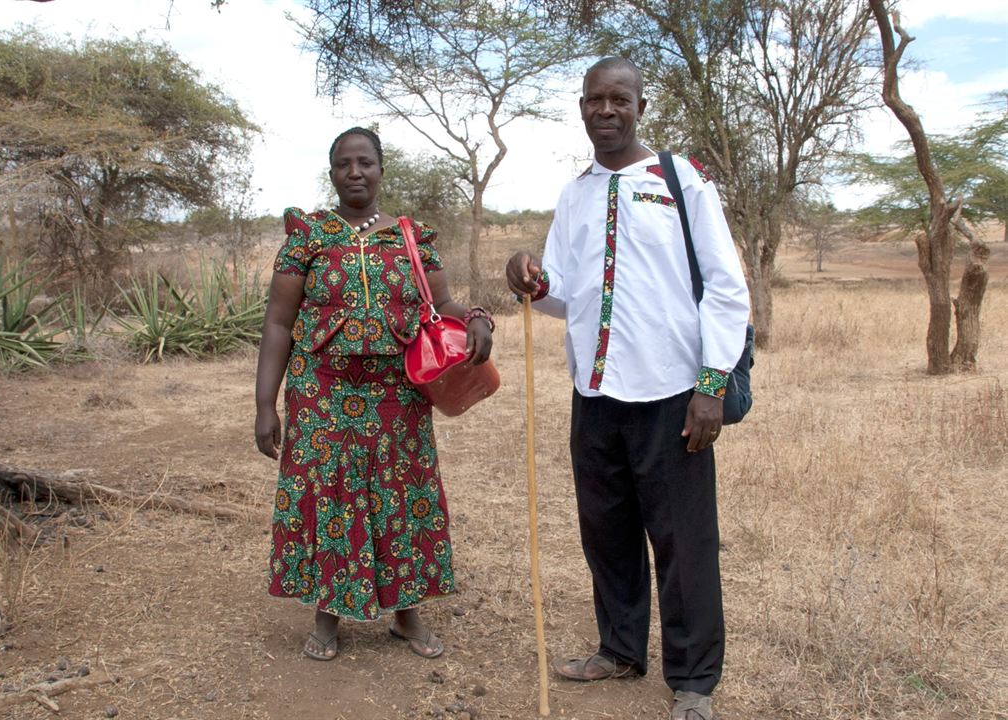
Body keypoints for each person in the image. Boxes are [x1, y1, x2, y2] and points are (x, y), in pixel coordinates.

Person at [505, 58, 749, 720]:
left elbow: (727, 288)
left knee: (682, 543)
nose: (605, 110)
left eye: (619, 99)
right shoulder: (575, 193)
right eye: (594, 100)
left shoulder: (681, 182)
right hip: (595, 394)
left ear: (642, 105)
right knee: (605, 532)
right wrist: (529, 277)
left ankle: (693, 681)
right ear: (581, 107)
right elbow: (565, 297)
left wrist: (709, 387)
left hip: (672, 394)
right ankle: (619, 650)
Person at [255, 126, 494, 662]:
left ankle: (406, 615)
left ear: (382, 169)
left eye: (365, 162)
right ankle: (327, 614)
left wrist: (476, 317)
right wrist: (263, 404)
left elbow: (444, 304)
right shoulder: (307, 237)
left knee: (401, 496)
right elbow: (277, 323)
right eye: (344, 164)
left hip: (396, 393)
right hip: (322, 392)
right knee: (329, 495)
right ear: (332, 172)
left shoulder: (411, 236)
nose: (355, 172)